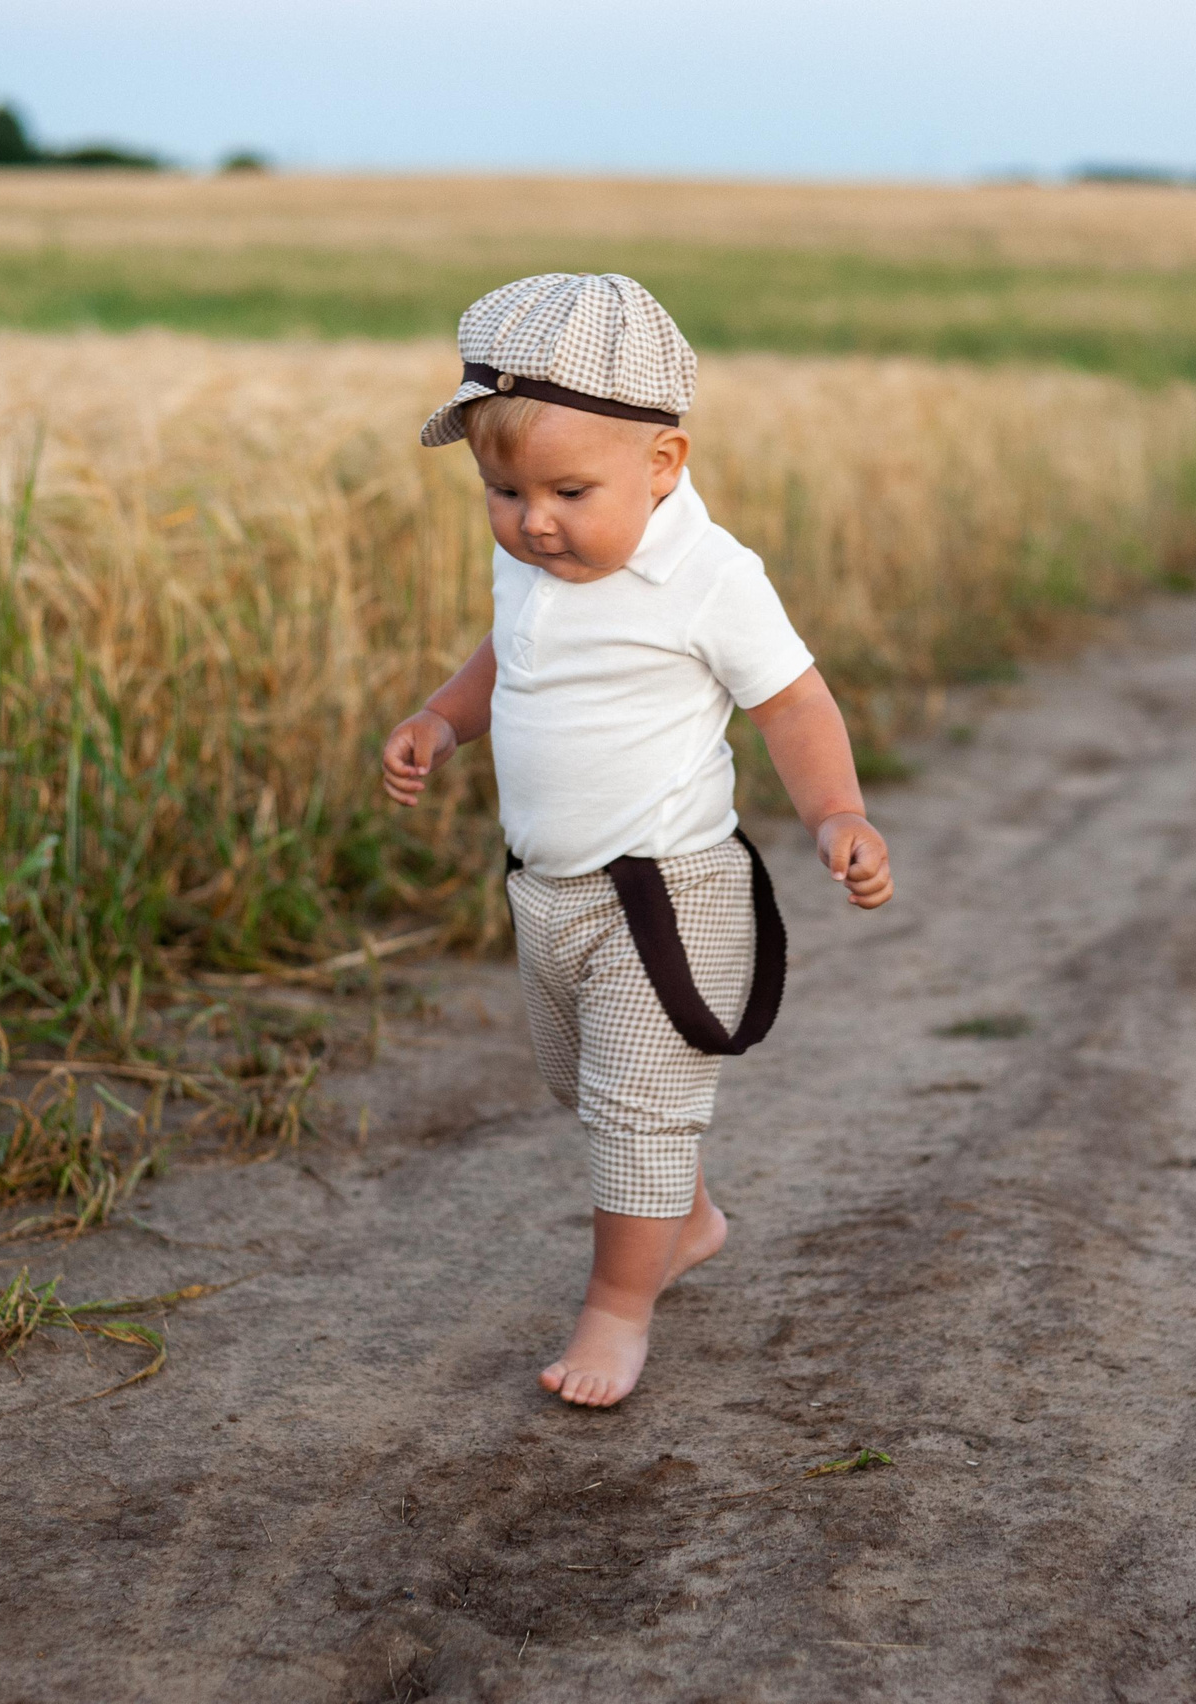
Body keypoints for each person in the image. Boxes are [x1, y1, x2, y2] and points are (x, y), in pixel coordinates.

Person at [380, 273, 894, 1408]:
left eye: (567, 489)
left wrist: (836, 813)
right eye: (501, 490)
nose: (534, 520)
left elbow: (794, 703)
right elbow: (506, 653)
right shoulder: (535, 560)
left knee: (637, 1108)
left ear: (663, 465)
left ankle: (618, 1309)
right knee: (590, 1089)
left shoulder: (710, 577)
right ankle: (689, 1217)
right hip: (548, 889)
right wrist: (440, 721)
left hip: (667, 893)